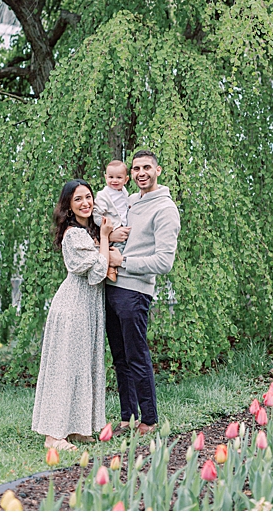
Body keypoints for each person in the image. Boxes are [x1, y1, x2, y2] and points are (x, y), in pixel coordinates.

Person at [32, 179, 117, 451]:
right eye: (78, 199)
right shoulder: (73, 234)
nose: (86, 203)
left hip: (87, 308)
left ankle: (78, 426)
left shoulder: (86, 232)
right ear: (69, 205)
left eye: (89, 197)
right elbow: (97, 270)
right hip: (73, 307)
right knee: (66, 369)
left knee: (83, 366)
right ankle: (53, 435)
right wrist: (105, 238)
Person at [104, 149, 180, 437]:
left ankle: (149, 420)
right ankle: (128, 417)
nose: (141, 173)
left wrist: (122, 261)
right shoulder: (131, 202)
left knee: (137, 356)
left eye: (147, 167)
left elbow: (164, 262)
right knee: (120, 357)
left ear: (158, 170)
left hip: (135, 292)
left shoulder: (165, 209)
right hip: (112, 288)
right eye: (136, 169)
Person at [93, 159, 131, 282]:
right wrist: (109, 229)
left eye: (119, 177)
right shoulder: (104, 195)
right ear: (105, 177)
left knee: (125, 245)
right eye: (111, 177)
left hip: (123, 227)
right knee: (118, 247)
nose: (114, 180)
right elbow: (97, 214)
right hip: (112, 228)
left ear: (126, 180)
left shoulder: (124, 193)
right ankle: (111, 267)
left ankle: (115, 266)